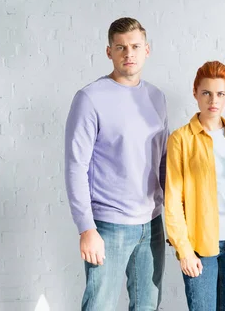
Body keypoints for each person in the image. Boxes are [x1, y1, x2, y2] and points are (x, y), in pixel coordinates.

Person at [64, 17, 167, 310]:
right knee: (100, 306)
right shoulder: (90, 98)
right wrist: (86, 228)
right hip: (108, 225)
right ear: (109, 52)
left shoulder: (157, 97)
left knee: (147, 306)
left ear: (147, 50)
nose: (128, 53)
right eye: (120, 47)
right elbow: (75, 167)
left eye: (135, 46)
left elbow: (162, 162)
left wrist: (173, 219)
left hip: (152, 224)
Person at [165, 60, 225, 311]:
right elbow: (172, 200)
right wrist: (184, 250)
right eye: (206, 93)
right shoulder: (181, 139)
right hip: (200, 246)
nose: (213, 100)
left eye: (220, 94)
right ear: (195, 92)